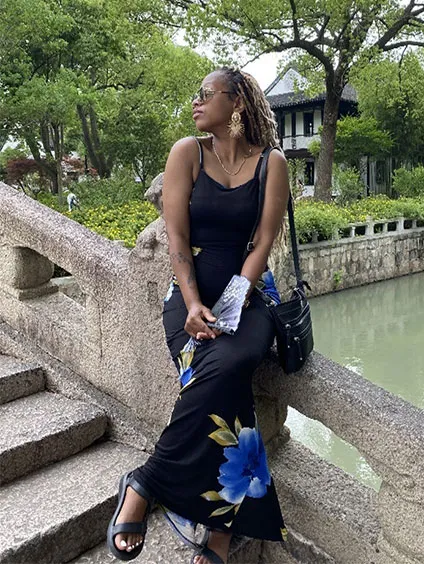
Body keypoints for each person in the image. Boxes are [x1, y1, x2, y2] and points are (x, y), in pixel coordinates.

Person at [107, 67, 289, 564]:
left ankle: (145, 482)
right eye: (196, 94)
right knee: (226, 383)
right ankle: (221, 534)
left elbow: (263, 242)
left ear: (237, 102)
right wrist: (191, 303)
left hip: (249, 298)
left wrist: (239, 294)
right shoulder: (187, 153)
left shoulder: (271, 163)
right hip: (187, 298)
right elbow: (177, 240)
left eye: (207, 94)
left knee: (229, 363)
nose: (196, 101)